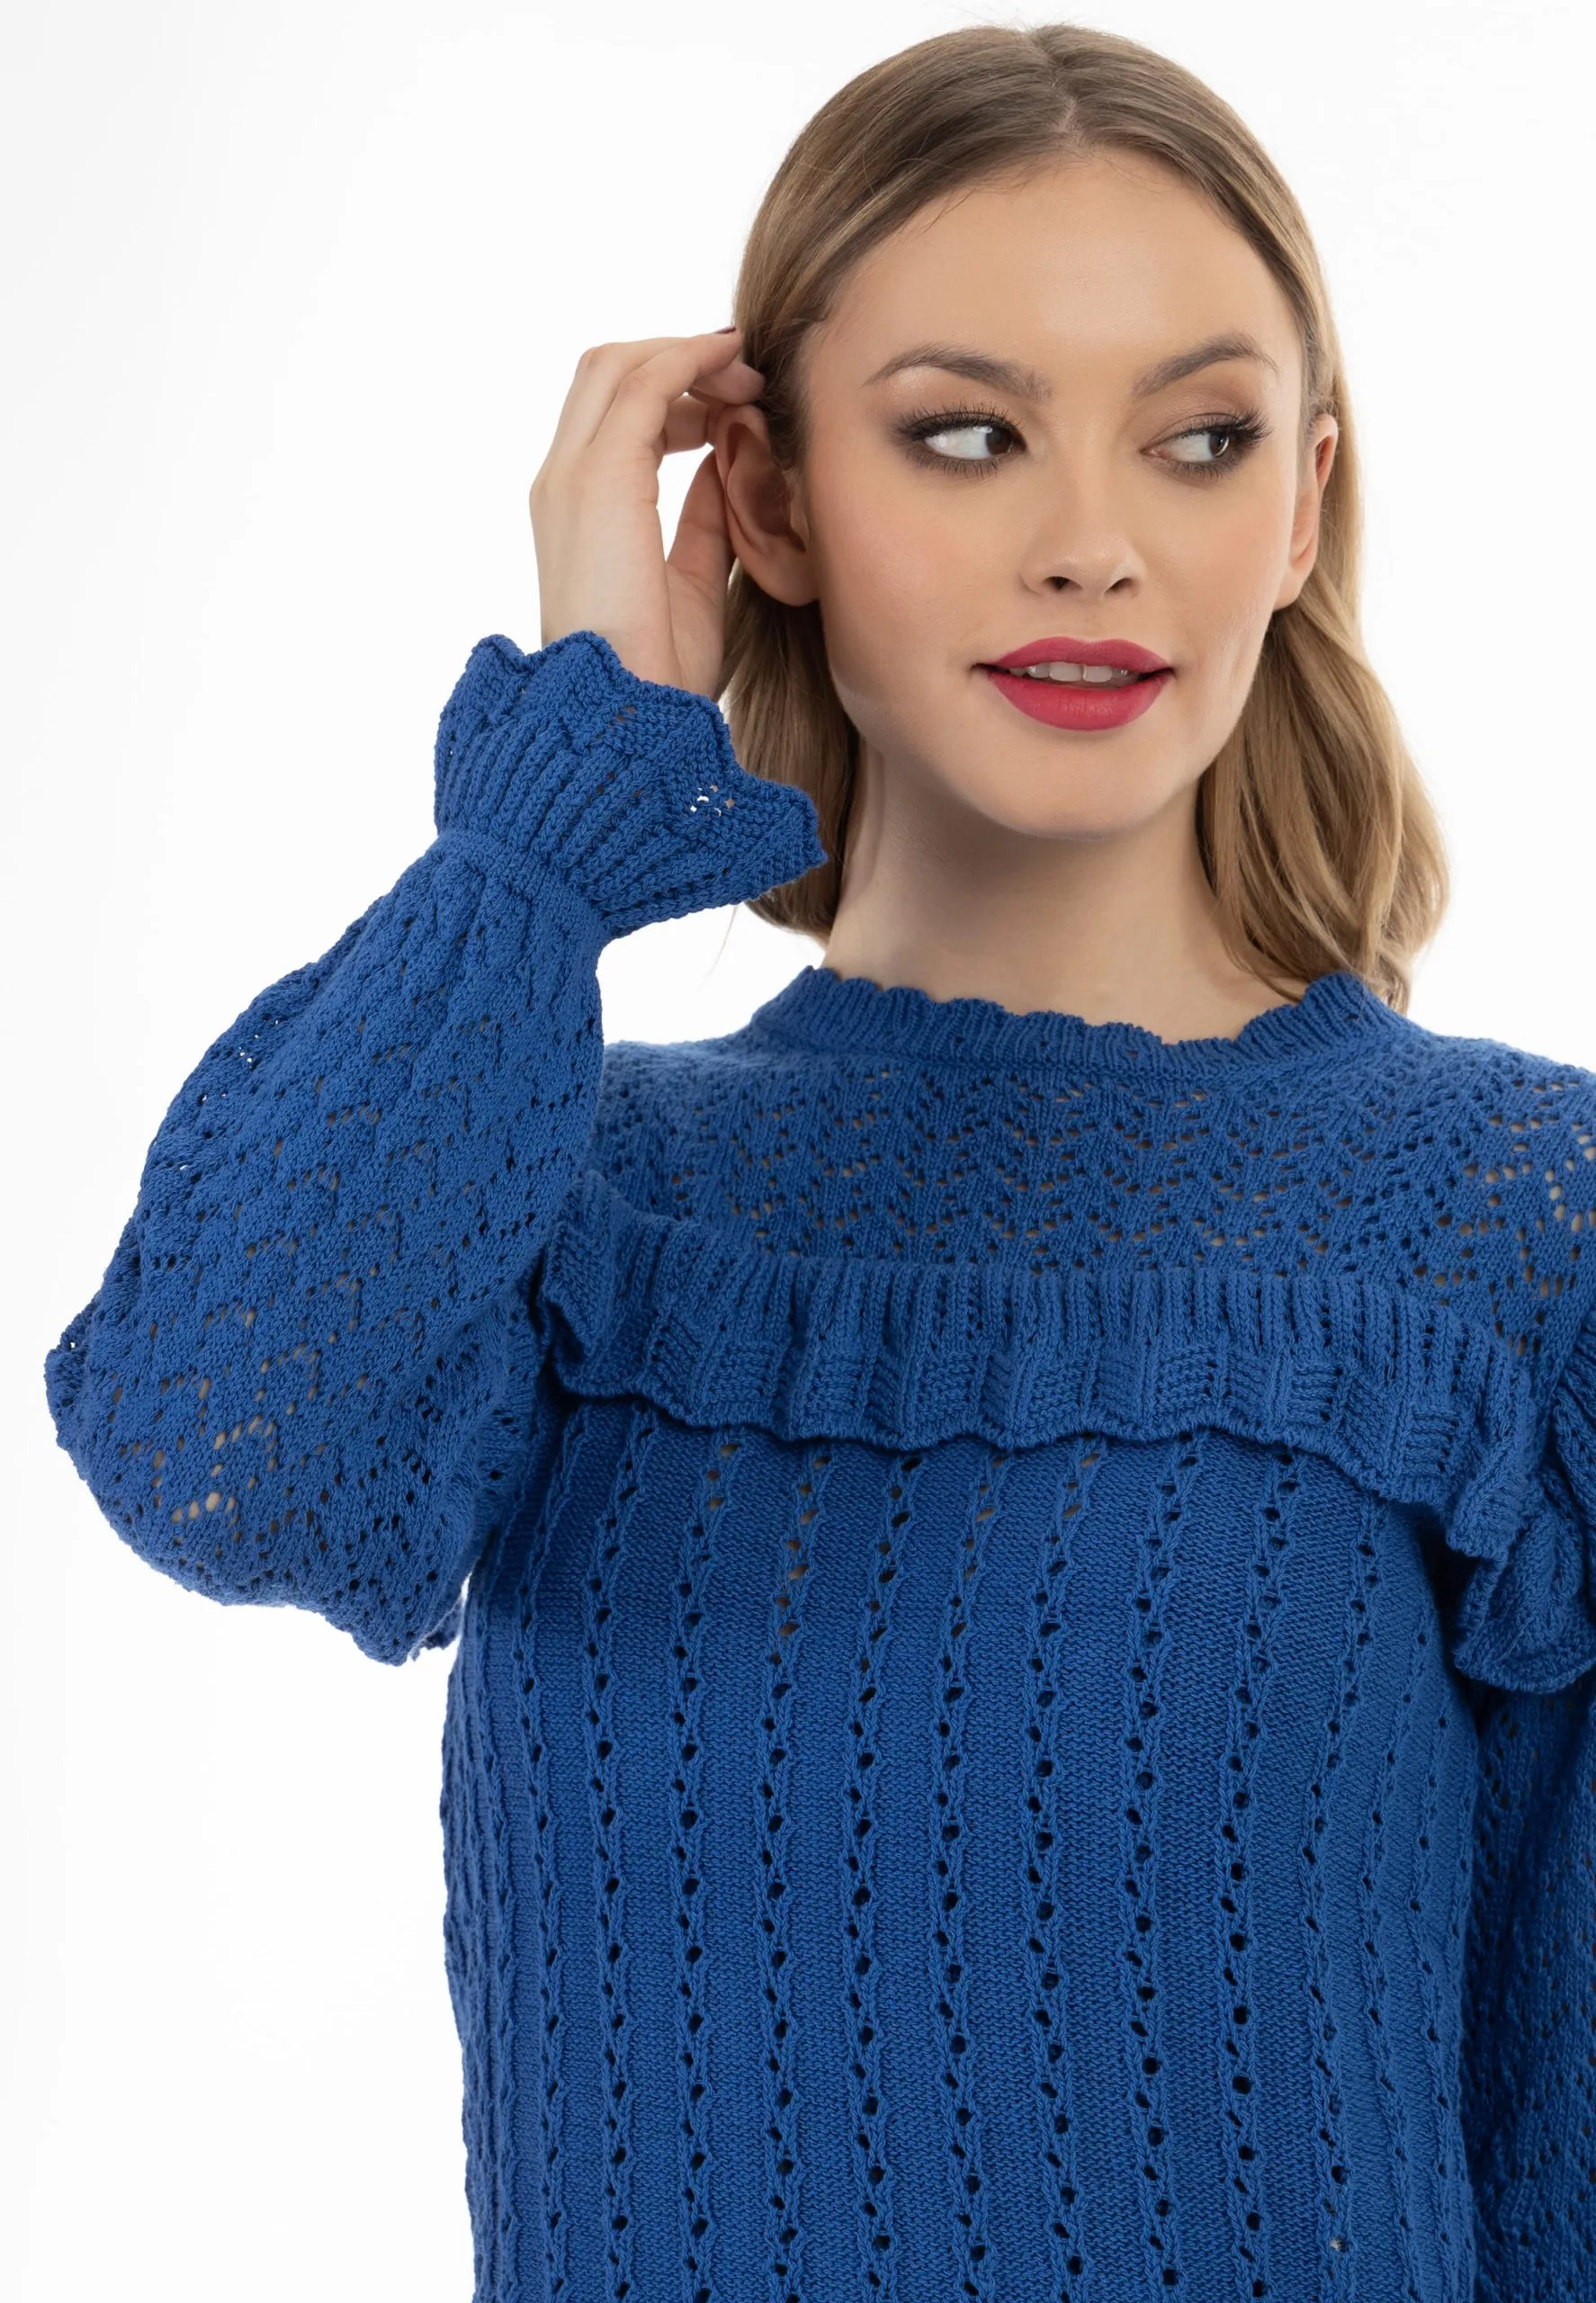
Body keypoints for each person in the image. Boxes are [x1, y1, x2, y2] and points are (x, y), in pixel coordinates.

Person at [43, 22, 1596, 2302]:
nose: (1090, 543)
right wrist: (551, 807)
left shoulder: (1507, 1220)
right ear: (761, 498)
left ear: (1298, 505)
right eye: (963, 433)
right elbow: (220, 1457)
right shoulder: (573, 1189)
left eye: (1196, 438)